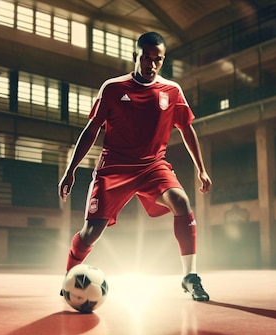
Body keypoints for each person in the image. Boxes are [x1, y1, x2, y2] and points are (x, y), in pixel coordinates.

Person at [58, 32, 212, 301]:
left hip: (153, 166)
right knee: (91, 233)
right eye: (146, 58)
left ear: (163, 60)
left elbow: (187, 129)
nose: (151, 65)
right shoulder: (113, 88)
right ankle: (70, 276)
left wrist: (201, 168)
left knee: (181, 201)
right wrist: (71, 170)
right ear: (135, 56)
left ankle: (190, 276)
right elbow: (91, 129)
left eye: (158, 60)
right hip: (115, 167)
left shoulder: (172, 91)